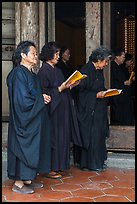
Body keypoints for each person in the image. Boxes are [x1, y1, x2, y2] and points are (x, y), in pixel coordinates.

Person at [6, 40, 51, 194]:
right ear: (23, 55)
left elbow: (35, 94)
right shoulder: (18, 73)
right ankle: (18, 184)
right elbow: (22, 100)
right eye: (33, 53)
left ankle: (27, 179)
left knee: (33, 148)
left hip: (34, 120)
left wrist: (43, 97)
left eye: (36, 54)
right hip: (23, 121)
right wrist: (40, 99)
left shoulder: (31, 73)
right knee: (22, 148)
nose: (36, 56)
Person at [37, 41, 82, 179]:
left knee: (63, 139)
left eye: (58, 53)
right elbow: (43, 92)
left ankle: (60, 166)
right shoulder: (43, 71)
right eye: (56, 53)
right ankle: (50, 168)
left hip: (63, 110)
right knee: (54, 139)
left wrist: (71, 85)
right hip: (53, 111)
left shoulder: (58, 70)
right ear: (48, 55)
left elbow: (62, 87)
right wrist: (60, 89)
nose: (58, 56)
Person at [73, 46, 112, 172]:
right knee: (91, 136)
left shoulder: (98, 71)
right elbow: (80, 93)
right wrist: (96, 95)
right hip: (88, 111)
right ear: (99, 59)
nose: (106, 64)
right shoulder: (86, 71)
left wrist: (107, 92)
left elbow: (99, 87)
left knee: (99, 136)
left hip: (98, 109)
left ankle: (98, 161)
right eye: (105, 61)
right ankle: (89, 164)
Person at [110, 49, 134, 125]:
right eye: (123, 56)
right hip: (118, 98)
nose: (124, 58)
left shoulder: (119, 67)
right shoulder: (112, 67)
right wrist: (124, 83)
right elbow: (112, 82)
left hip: (123, 97)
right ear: (117, 56)